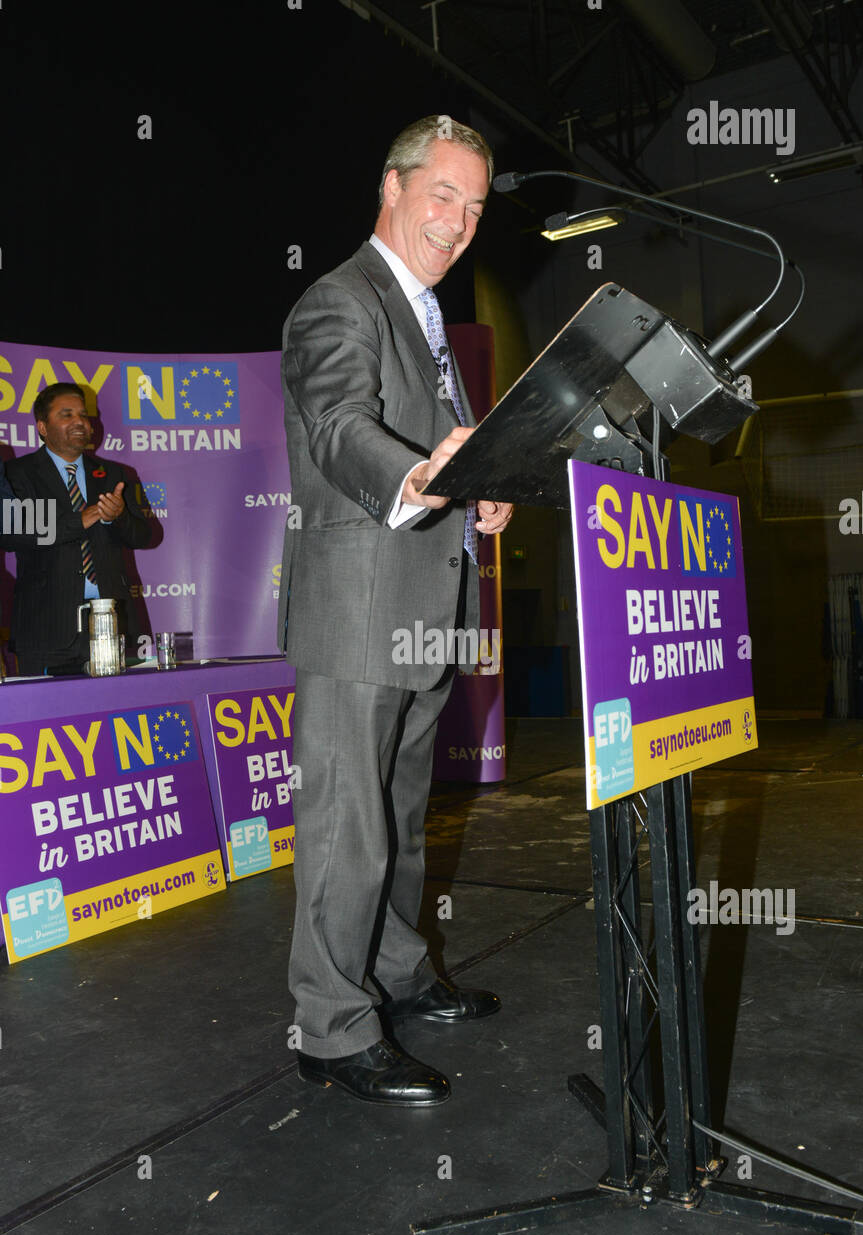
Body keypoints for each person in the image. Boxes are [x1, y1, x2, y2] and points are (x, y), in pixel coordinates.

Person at [277, 115, 513, 1107]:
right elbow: (339, 426)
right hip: (356, 611)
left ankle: (399, 974)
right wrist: (419, 473)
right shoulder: (338, 299)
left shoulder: (424, 314)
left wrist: (479, 483)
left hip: (423, 606)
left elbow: (438, 446)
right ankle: (330, 1024)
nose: (458, 222)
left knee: (403, 816)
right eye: (443, 195)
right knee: (348, 826)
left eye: (474, 207)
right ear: (394, 186)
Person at [5, 383, 151, 675]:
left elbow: (146, 536)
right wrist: (81, 519)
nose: (80, 422)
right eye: (66, 414)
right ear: (43, 427)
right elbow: (15, 532)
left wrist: (117, 517)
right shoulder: (18, 473)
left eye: (83, 415)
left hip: (109, 623)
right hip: (45, 627)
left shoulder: (113, 474)